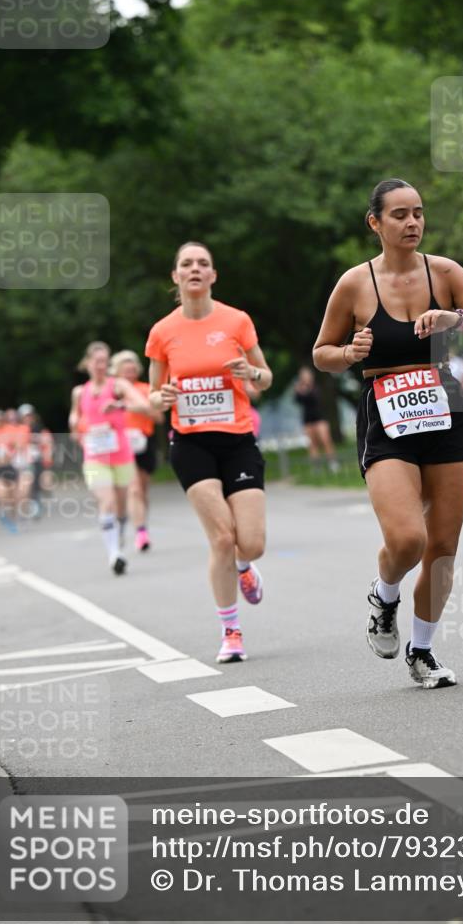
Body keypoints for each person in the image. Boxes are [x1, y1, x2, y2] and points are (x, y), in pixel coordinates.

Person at [313, 178, 463, 688]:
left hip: (444, 408)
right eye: (399, 214)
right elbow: (322, 353)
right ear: (375, 223)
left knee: (442, 545)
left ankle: (422, 651)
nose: (413, 223)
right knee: (407, 538)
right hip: (386, 413)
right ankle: (384, 596)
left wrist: (457, 318)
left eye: (419, 213)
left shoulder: (444, 272)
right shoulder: (354, 284)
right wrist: (349, 355)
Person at [145, 241, 273, 663]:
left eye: (203, 263)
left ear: (213, 276)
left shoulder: (236, 321)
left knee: (249, 543)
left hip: (236, 440)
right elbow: (151, 397)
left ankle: (244, 566)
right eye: (187, 264)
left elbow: (265, 377)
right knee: (221, 537)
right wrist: (159, 399)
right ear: (176, 276)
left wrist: (251, 372)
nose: (195, 269)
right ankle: (231, 631)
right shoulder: (163, 332)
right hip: (191, 443)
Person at [69, 341, 155, 575]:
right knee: (106, 501)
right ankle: (114, 554)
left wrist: (118, 405)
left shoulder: (118, 385)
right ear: (87, 363)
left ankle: (118, 535)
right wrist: (77, 427)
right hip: (95, 456)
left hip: (121, 455)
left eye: (105, 361)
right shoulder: (80, 392)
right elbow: (74, 419)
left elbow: (143, 405)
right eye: (96, 361)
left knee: (119, 507)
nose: (100, 366)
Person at [109, 350, 163, 552]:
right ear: (117, 371)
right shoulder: (111, 392)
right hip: (118, 444)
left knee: (142, 488)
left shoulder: (146, 389)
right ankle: (136, 530)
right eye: (125, 369)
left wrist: (137, 408)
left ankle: (140, 525)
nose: (130, 373)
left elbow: (159, 418)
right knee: (132, 489)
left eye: (133, 369)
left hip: (143, 442)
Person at [293, 366, 339, 472]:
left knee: (325, 440)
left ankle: (333, 462)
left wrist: (303, 391)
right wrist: (298, 391)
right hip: (307, 419)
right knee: (312, 443)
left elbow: (313, 398)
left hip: (319, 418)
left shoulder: (315, 387)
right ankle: (316, 467)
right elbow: (297, 400)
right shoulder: (300, 388)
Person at [16, 404, 54, 519]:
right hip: (22, 462)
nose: (28, 418)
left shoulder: (41, 429)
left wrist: (47, 457)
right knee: (26, 485)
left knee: (45, 483)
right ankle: (27, 506)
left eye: (30, 416)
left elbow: (49, 444)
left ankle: (37, 500)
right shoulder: (17, 430)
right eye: (25, 416)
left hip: (39, 460)